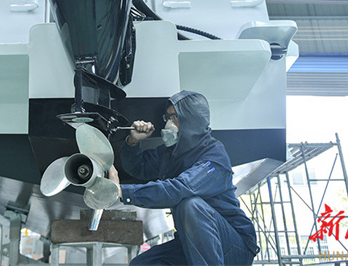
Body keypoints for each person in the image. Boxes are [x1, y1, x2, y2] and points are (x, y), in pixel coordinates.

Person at [108, 90, 260, 266]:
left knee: (191, 205)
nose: (168, 124)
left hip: (234, 247)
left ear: (192, 120)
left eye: (175, 117)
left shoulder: (214, 156)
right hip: (192, 241)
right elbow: (138, 168)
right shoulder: (170, 154)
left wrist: (121, 192)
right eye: (167, 118)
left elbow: (180, 188)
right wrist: (133, 142)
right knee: (142, 264)